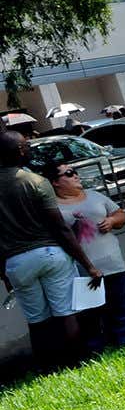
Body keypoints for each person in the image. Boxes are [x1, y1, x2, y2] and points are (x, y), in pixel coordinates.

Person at [0, 132, 102, 368]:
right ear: (19, 152)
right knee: (66, 312)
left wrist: (3, 273)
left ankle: (48, 368)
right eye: (26, 146)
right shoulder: (36, 181)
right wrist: (88, 264)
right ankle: (78, 363)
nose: (29, 149)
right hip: (50, 253)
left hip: (16, 261)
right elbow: (60, 228)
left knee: (37, 320)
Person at [44, 163, 125, 352]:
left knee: (119, 310)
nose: (75, 176)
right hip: (81, 271)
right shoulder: (53, 208)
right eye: (69, 174)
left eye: (75, 172)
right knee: (90, 317)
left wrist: (112, 221)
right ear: (55, 182)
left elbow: (120, 215)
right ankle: (96, 353)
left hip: (113, 265)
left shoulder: (95, 196)